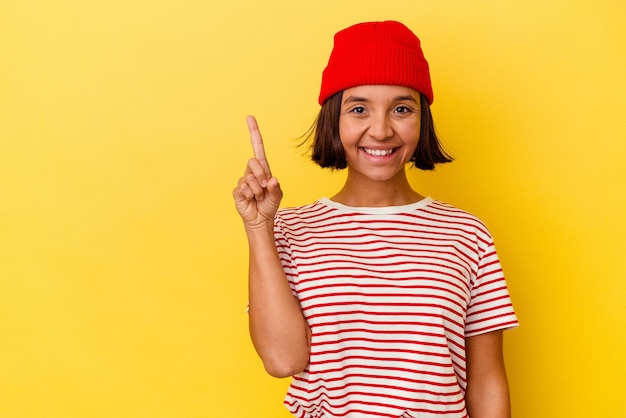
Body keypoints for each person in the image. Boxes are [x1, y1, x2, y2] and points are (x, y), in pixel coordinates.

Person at [233, 20, 518, 418]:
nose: (381, 130)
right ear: (334, 119)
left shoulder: (467, 234)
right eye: (359, 109)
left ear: (423, 120)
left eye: (402, 109)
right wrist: (259, 228)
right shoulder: (290, 230)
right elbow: (282, 361)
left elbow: (487, 382)